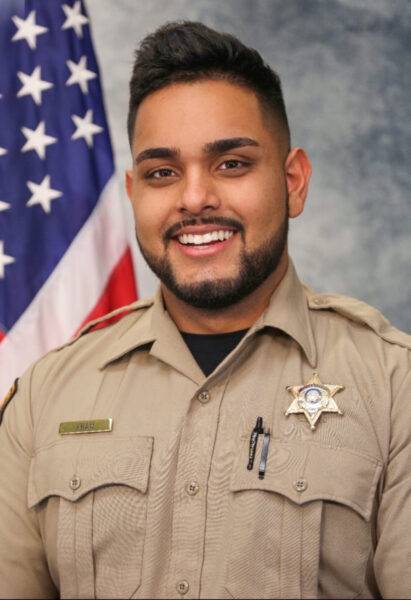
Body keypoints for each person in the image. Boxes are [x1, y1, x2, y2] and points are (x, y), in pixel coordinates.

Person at [0, 20, 410, 600]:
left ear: (293, 182)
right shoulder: (45, 394)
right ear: (134, 192)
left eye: (232, 164)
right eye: (162, 173)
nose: (194, 199)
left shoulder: (396, 388)